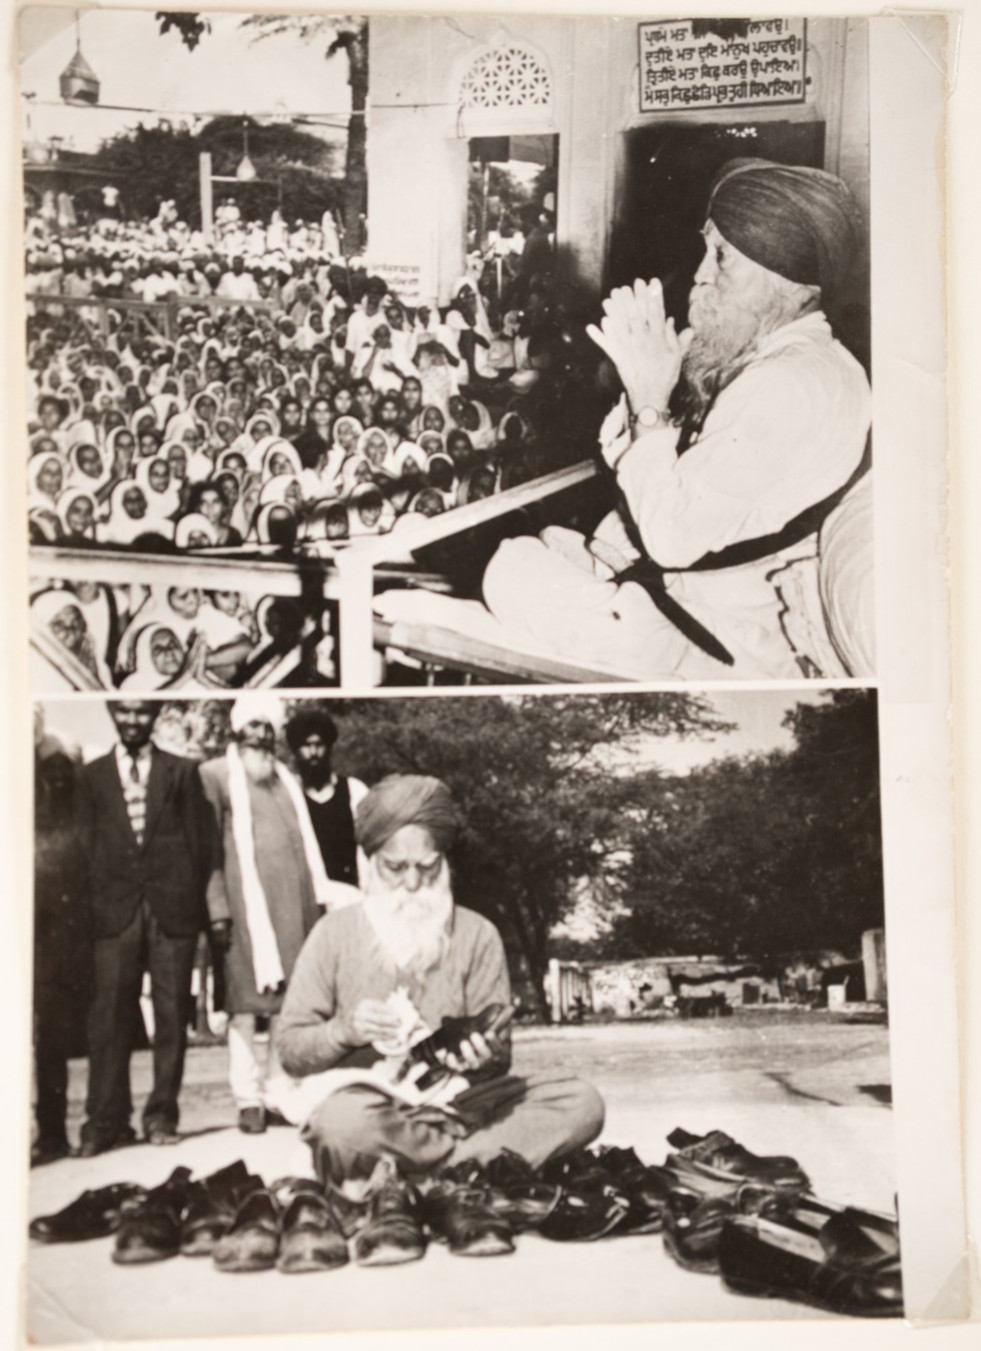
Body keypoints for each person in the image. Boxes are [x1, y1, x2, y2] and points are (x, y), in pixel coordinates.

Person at [481, 158, 872, 680]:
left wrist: (649, 398)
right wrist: (649, 383)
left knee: (511, 567)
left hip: (723, 638)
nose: (700, 274)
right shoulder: (799, 361)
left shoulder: (789, 384)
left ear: (787, 279)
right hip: (702, 599)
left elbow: (670, 537)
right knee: (544, 547)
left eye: (722, 258)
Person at [276, 774, 605, 1190]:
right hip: (376, 1109)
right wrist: (344, 1031)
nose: (412, 884)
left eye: (427, 867)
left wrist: (482, 1056)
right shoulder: (333, 933)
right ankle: (475, 1168)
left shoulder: (478, 933)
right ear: (371, 863)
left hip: (463, 1107)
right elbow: (289, 1050)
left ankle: (420, 1173)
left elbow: (500, 1060)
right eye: (395, 868)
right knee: (341, 1123)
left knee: (581, 1103)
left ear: (444, 863)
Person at [200, 695, 360, 1134]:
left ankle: (277, 1094)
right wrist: (217, 910)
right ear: (237, 729)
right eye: (253, 724)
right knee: (245, 1009)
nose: (261, 734)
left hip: (296, 916)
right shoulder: (214, 777)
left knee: (288, 1010)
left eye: (268, 727)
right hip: (244, 917)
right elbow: (207, 852)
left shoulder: (284, 779)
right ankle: (248, 1099)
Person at [76, 700, 210, 1154]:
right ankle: (104, 1122)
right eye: (124, 713)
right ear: (113, 714)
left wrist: (192, 904)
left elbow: (202, 843)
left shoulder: (181, 772)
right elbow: (84, 849)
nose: (133, 721)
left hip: (172, 914)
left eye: (141, 714)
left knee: (172, 1018)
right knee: (108, 1020)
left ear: (153, 717)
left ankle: (161, 1116)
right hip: (114, 915)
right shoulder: (91, 777)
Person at [32, 748, 91, 1165]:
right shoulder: (28, 822)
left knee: (55, 1045)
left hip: (69, 950)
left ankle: (61, 1132)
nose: (58, 786)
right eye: (51, 779)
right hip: (40, 950)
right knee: (47, 1047)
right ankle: (49, 1133)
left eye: (64, 779)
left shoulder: (82, 826)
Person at [284, 709, 367, 890]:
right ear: (296, 750)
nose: (313, 752)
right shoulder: (290, 797)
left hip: (351, 895)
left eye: (319, 744)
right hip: (309, 898)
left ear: (329, 747)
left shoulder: (354, 790)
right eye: (306, 745)